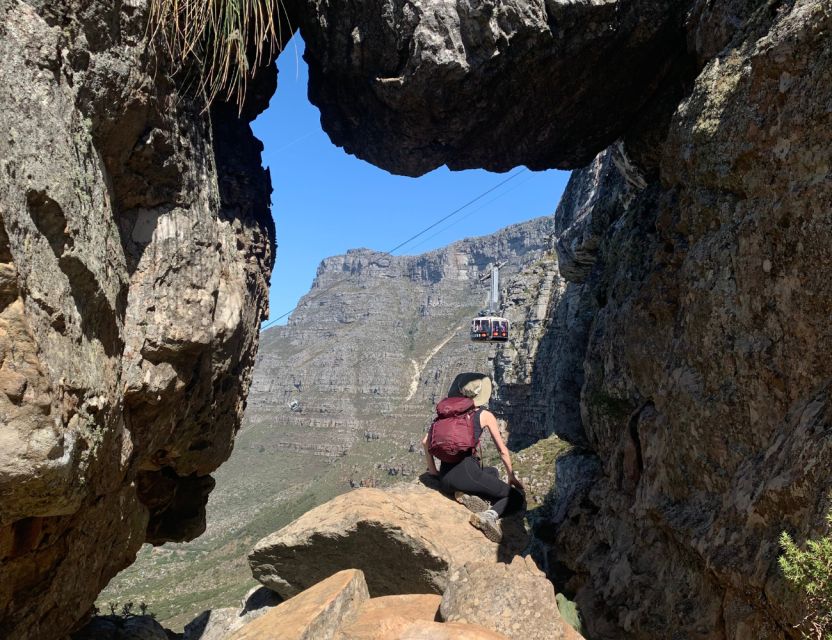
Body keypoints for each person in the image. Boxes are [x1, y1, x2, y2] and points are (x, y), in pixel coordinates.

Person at [421, 372, 525, 542]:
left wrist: (434, 471)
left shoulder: (446, 413)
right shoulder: (484, 415)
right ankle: (488, 516)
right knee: (515, 497)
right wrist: (512, 476)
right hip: (468, 475)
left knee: (491, 472)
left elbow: (425, 442)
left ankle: (463, 494)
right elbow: (503, 451)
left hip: (445, 478)